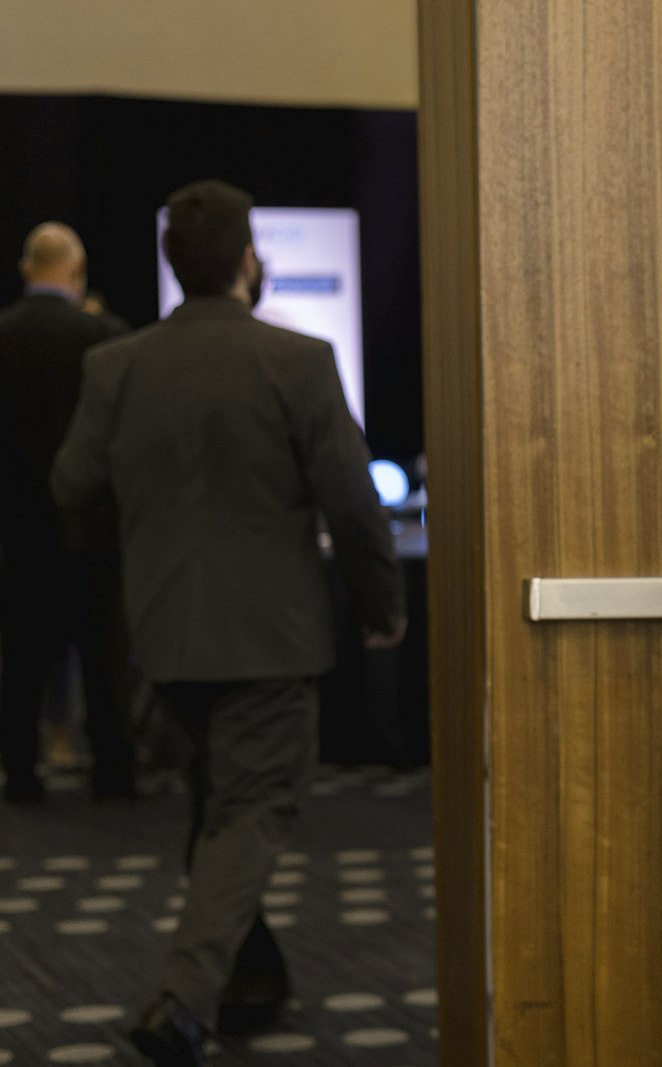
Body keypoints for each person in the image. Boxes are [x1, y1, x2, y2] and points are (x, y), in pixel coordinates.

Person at [51, 180, 406, 1066]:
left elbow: (72, 484)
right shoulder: (300, 361)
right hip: (271, 639)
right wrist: (383, 608)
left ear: (174, 264)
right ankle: (182, 1002)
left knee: (216, 805)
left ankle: (254, 973)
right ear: (250, 260)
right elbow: (354, 505)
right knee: (252, 809)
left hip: (164, 634)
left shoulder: (116, 365)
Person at [0, 222, 135, 803]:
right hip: (96, 526)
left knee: (22, 656)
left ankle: (20, 773)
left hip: (19, 529)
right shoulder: (106, 337)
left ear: (26, 270)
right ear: (77, 272)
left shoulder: (3, 336)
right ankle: (114, 770)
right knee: (105, 657)